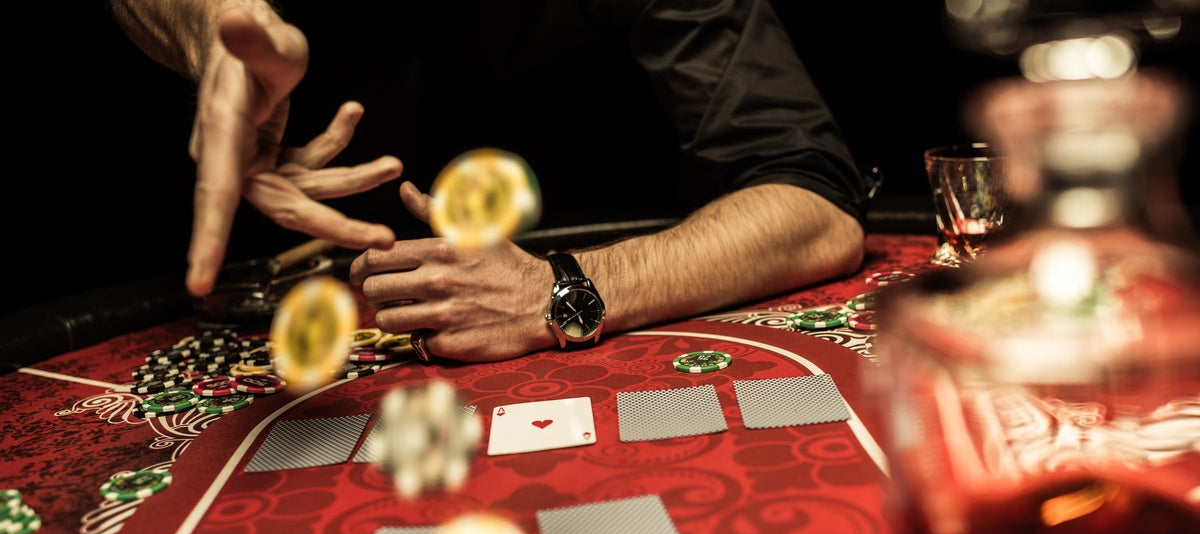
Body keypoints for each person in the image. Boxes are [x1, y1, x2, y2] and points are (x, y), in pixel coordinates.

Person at [108, 0, 870, 363]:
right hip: (290, 331)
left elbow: (814, 201)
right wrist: (215, 39)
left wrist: (559, 290)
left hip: (622, 337)